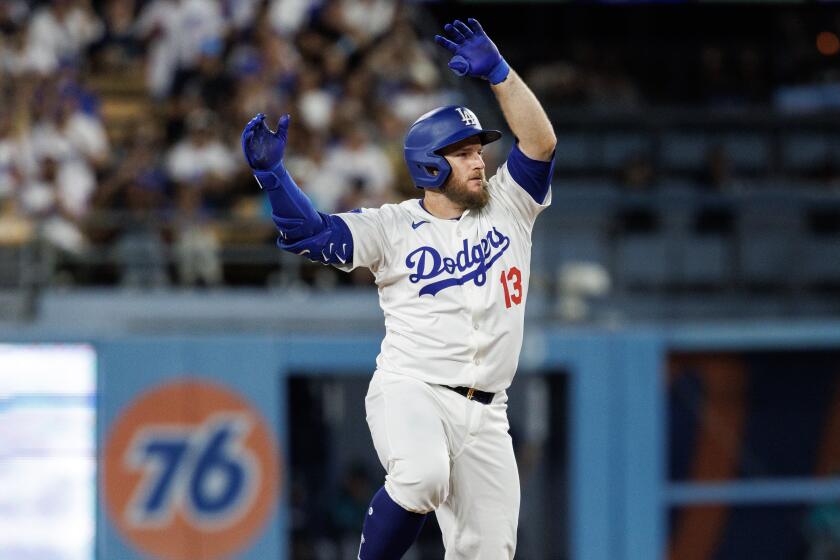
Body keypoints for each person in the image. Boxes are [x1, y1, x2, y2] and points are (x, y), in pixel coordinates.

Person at [241, 17, 556, 559]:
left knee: (492, 554)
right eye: (464, 153)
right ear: (431, 166)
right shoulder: (391, 227)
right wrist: (275, 178)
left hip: (488, 412)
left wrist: (500, 73)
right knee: (422, 477)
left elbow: (541, 141)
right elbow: (311, 233)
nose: (479, 160)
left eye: (479, 150)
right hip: (415, 391)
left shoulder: (510, 206)